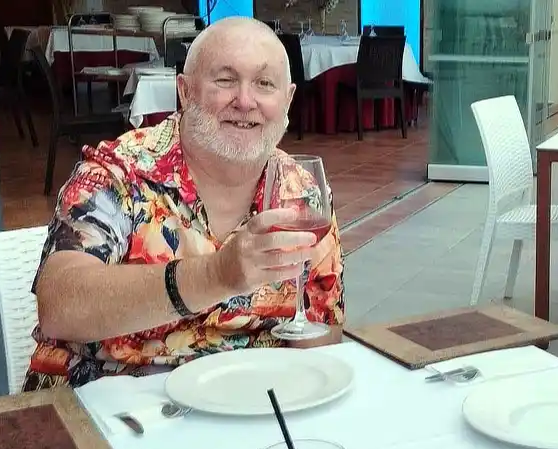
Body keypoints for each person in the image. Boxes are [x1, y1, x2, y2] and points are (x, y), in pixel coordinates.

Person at [23, 17, 345, 391]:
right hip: (109, 409)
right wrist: (215, 275)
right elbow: (60, 304)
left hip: (245, 410)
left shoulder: (302, 191)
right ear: (185, 92)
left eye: (264, 84)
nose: (245, 101)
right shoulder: (119, 171)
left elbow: (324, 331)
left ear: (287, 100)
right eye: (224, 80)